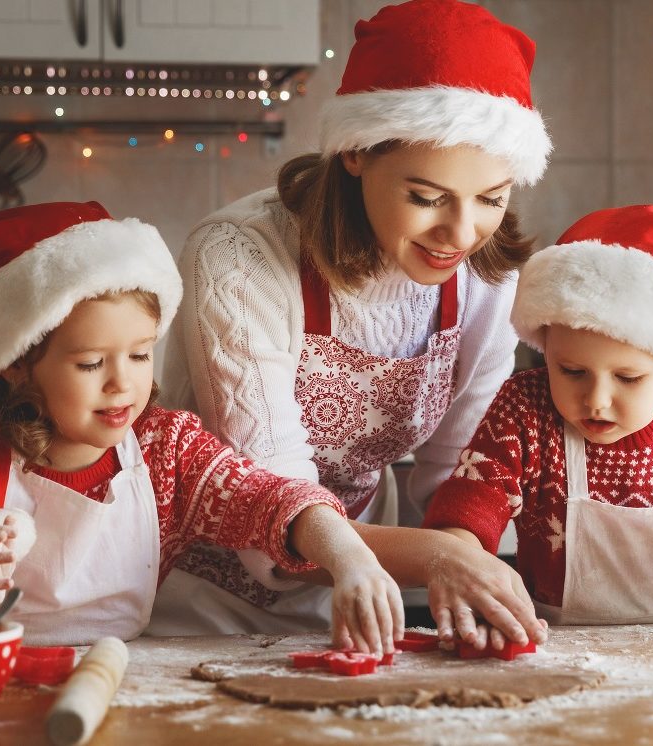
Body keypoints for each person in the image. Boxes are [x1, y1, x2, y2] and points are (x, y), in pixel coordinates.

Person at [150, 0, 552, 636]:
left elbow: (461, 469)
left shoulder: (479, 276)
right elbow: (268, 497)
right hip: (191, 591)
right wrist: (439, 556)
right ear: (355, 153)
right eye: (426, 197)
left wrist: (467, 565)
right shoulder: (240, 257)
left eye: (491, 200)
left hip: (356, 586)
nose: (461, 232)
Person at [0, 202, 403, 653]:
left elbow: (271, 502)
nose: (123, 384)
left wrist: (348, 556)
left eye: (140, 355)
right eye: (92, 364)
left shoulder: (166, 449)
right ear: (16, 364)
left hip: (119, 681)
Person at [417, 205, 653, 648]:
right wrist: (457, 560)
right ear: (546, 349)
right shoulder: (526, 411)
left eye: (628, 378)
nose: (596, 400)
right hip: (561, 651)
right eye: (571, 371)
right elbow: (469, 509)